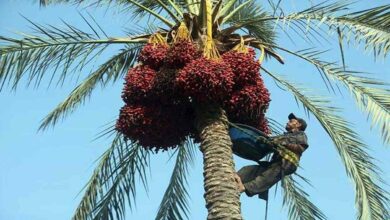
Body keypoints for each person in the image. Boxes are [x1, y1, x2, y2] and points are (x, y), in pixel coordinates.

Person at [234, 113, 308, 200]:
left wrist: (284, 144)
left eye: (291, 121)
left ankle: (246, 187)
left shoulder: (300, 135)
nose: (288, 122)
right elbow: (270, 141)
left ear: (299, 125)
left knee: (266, 177)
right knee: (249, 170)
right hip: (274, 163)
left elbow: (301, 148)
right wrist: (264, 141)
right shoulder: (283, 136)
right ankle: (234, 180)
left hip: (286, 163)